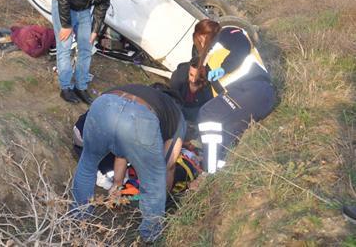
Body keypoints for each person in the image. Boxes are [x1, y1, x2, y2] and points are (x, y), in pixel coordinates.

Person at [72, 83, 185, 242]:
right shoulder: (178, 117)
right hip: (139, 119)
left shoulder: (141, 90)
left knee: (88, 164)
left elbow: (122, 149)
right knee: (154, 181)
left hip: (104, 104)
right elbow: (169, 166)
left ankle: (78, 219)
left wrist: (117, 186)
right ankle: (151, 236)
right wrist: (161, 201)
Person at [192, 19, 276, 173]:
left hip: (254, 88)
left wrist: (224, 68)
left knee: (207, 115)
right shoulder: (211, 62)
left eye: (200, 39)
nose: (202, 43)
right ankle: (221, 169)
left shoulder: (226, 33)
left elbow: (241, 46)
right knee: (224, 132)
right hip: (247, 98)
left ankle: (209, 172)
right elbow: (218, 99)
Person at [51, 0, 132, 104]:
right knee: (65, 47)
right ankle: (66, 88)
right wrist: (66, 25)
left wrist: (95, 29)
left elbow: (103, 4)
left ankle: (80, 87)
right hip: (63, 4)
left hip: (83, 9)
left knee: (86, 47)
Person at [169, 56, 213, 122]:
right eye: (191, 75)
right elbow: (171, 97)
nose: (193, 80)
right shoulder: (178, 78)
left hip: (193, 115)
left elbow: (206, 109)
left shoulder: (209, 88)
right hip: (177, 109)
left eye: (198, 76)